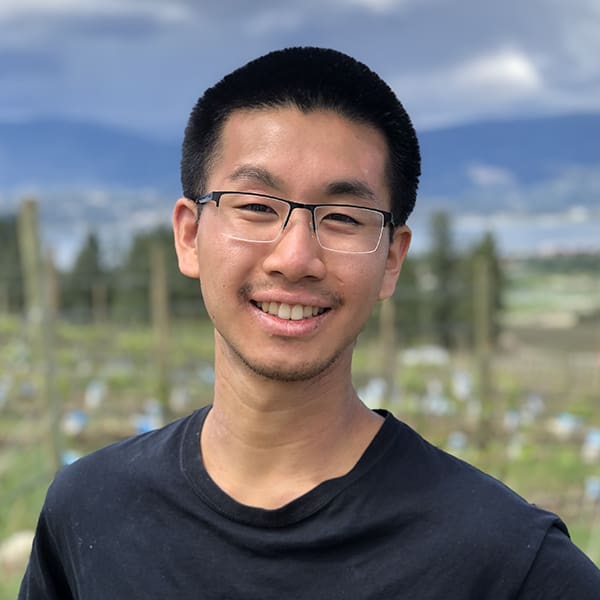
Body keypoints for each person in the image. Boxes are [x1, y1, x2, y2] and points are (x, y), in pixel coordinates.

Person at [20, 47, 599, 599]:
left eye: (344, 217)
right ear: (190, 236)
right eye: (256, 207)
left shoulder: (506, 560)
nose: (295, 258)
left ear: (391, 259)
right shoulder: (90, 511)